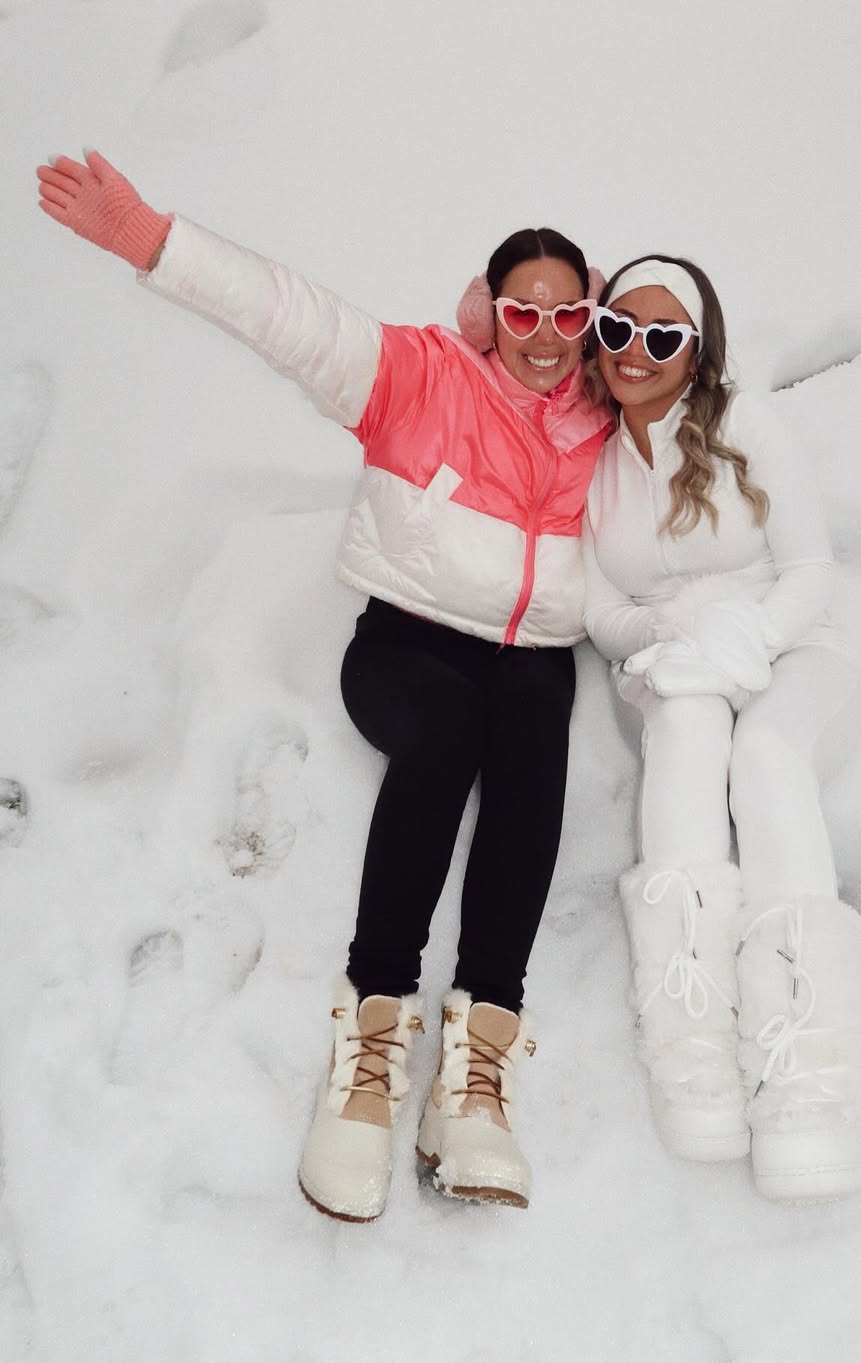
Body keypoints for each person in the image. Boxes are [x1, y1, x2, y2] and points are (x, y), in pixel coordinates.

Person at [36, 151, 611, 1220]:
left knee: (536, 739)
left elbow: (697, 429)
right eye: (522, 312)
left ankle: (476, 1073)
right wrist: (153, 239)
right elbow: (287, 315)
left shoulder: (608, 420)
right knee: (445, 733)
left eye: (567, 314)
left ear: (591, 318)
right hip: (406, 646)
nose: (545, 336)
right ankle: (370, 1047)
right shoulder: (419, 377)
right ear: (488, 313)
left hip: (531, 658)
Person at [582, 255, 861, 1201]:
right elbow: (599, 607)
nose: (635, 351)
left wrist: (745, 637)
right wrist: (672, 642)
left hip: (792, 643)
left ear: (697, 350)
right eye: (618, 328)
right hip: (673, 658)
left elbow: (811, 570)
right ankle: (692, 1044)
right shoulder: (592, 461)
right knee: (687, 731)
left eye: (662, 335)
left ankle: (810, 1074)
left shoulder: (746, 424)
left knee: (767, 751)